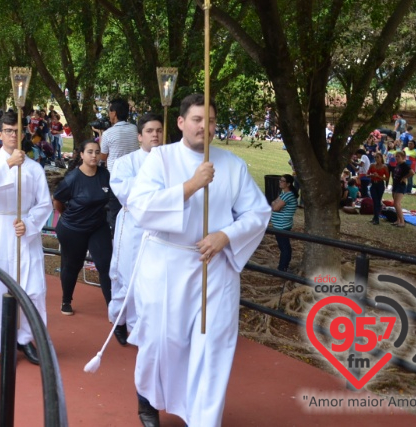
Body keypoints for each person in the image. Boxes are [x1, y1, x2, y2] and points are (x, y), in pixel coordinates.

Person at [126, 94, 270, 427]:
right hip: (167, 266)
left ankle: (204, 419)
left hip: (215, 269)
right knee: (162, 342)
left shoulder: (232, 164)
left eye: (212, 121)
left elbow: (258, 212)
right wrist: (191, 185)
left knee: (212, 346)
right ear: (180, 123)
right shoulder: (160, 159)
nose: (205, 126)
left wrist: (227, 236)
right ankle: (148, 399)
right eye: (197, 119)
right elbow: (141, 207)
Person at [0, 110, 52, 365]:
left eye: (17, 130)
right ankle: (0, 342)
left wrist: (29, 224)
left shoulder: (34, 168)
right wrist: (9, 165)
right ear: (0, 134)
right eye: (8, 130)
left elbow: (45, 203)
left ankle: (26, 338)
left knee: (34, 289)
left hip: (24, 231)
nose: (13, 135)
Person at [107, 112, 162, 345]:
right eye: (149, 131)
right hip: (133, 225)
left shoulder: (170, 162)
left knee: (153, 280)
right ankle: (119, 320)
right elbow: (126, 193)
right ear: (140, 136)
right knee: (127, 277)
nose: (155, 135)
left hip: (160, 228)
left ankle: (144, 328)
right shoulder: (126, 162)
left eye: (159, 131)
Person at [52, 140, 113, 315]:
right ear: (81, 155)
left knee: (105, 264)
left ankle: (112, 307)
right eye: (90, 152)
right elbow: (57, 200)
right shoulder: (72, 179)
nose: (94, 155)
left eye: (97, 152)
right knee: (73, 265)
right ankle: (66, 300)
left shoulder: (104, 174)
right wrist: (66, 215)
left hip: (97, 226)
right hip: (73, 229)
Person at [98, 98, 139, 233]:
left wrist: (100, 135)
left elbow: (102, 157)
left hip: (115, 179)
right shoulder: (135, 129)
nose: (109, 115)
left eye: (110, 112)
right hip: (135, 177)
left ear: (114, 113)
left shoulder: (109, 133)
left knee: (115, 213)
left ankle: (116, 240)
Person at [270, 174, 297, 272]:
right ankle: (283, 266)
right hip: (279, 225)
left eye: (283, 181)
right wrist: (275, 204)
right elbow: (273, 202)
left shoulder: (288, 195)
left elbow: (275, 207)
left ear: (288, 184)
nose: (280, 182)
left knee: (285, 248)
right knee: (283, 247)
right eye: (280, 180)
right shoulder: (284, 194)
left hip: (282, 226)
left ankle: (282, 268)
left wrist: (275, 205)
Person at [391, 150, 413, 227]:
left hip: (401, 186)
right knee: (396, 204)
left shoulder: (404, 165)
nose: (396, 158)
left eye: (398, 156)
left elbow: (412, 172)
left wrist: (404, 177)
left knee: (396, 203)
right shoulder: (397, 165)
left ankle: (402, 222)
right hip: (395, 185)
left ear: (403, 157)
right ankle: (398, 220)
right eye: (396, 156)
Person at [368, 153, 389, 225]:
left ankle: (376, 218)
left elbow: (387, 178)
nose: (376, 159)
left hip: (380, 184)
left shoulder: (384, 167)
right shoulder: (372, 165)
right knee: (375, 201)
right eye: (375, 157)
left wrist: (379, 176)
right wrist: (371, 175)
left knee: (378, 201)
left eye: (378, 157)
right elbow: (367, 174)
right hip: (373, 184)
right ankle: (376, 218)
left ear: (381, 158)